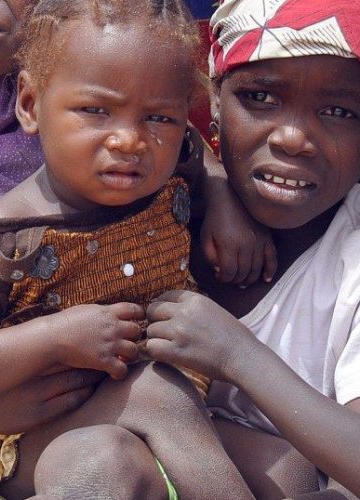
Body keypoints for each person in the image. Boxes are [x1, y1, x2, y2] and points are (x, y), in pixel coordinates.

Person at [0, 1, 255, 499]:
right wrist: (54, 336)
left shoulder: (168, 167)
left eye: (159, 117)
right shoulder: (4, 240)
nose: (129, 140)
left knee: (285, 464)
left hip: (169, 417)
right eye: (96, 110)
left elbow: (197, 155)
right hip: (27, 436)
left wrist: (223, 196)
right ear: (30, 106)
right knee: (153, 397)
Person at [146, 0, 360, 497]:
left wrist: (235, 353)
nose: (293, 138)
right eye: (261, 97)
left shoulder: (349, 262)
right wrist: (215, 183)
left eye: (339, 111)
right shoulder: (145, 198)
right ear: (215, 102)